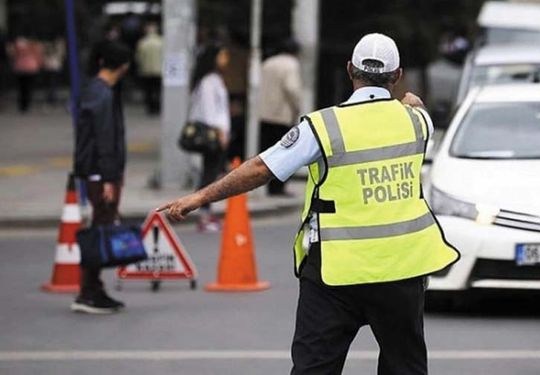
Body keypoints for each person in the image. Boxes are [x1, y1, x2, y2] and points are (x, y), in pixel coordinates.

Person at [159, 33, 460, 373]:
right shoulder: (418, 122)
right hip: (402, 271)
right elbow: (416, 109)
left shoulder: (323, 126)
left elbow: (262, 168)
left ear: (350, 70)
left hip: (335, 273)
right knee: (405, 368)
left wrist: (200, 196)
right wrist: (411, 102)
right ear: (398, 75)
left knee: (314, 369)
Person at [72, 41, 131, 314]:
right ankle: (89, 292)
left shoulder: (94, 90)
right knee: (100, 230)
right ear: (123, 66)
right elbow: (105, 139)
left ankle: (93, 289)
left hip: (95, 171)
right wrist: (110, 178)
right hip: (100, 173)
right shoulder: (103, 95)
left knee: (100, 227)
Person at [188, 43, 231, 232]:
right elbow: (209, 111)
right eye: (222, 55)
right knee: (209, 174)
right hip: (213, 134)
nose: (226, 59)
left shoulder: (214, 79)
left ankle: (206, 212)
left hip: (218, 133)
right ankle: (203, 214)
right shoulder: (208, 81)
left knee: (212, 172)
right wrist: (220, 132)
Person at [258, 38, 301, 196]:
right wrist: (297, 107)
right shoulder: (291, 64)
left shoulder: (267, 63)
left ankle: (269, 186)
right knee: (285, 153)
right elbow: (292, 88)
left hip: (264, 114)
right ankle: (278, 188)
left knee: (268, 152)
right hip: (282, 115)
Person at [6, 33, 43, 113]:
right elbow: (39, 56)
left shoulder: (19, 44)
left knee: (21, 88)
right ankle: (26, 105)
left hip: (20, 68)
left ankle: (22, 105)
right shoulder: (35, 45)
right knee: (28, 88)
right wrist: (39, 64)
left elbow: (12, 54)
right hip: (31, 68)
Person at [136, 22, 163, 115]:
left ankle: (150, 107)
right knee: (158, 90)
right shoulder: (161, 42)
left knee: (149, 90)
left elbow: (139, 57)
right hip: (159, 70)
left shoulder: (142, 43)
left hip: (146, 70)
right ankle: (157, 106)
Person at [42, 35, 66, 108]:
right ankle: (52, 98)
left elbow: (62, 56)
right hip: (53, 67)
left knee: (52, 84)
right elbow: (62, 56)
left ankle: (51, 98)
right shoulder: (55, 46)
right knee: (52, 84)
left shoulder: (53, 47)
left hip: (52, 67)